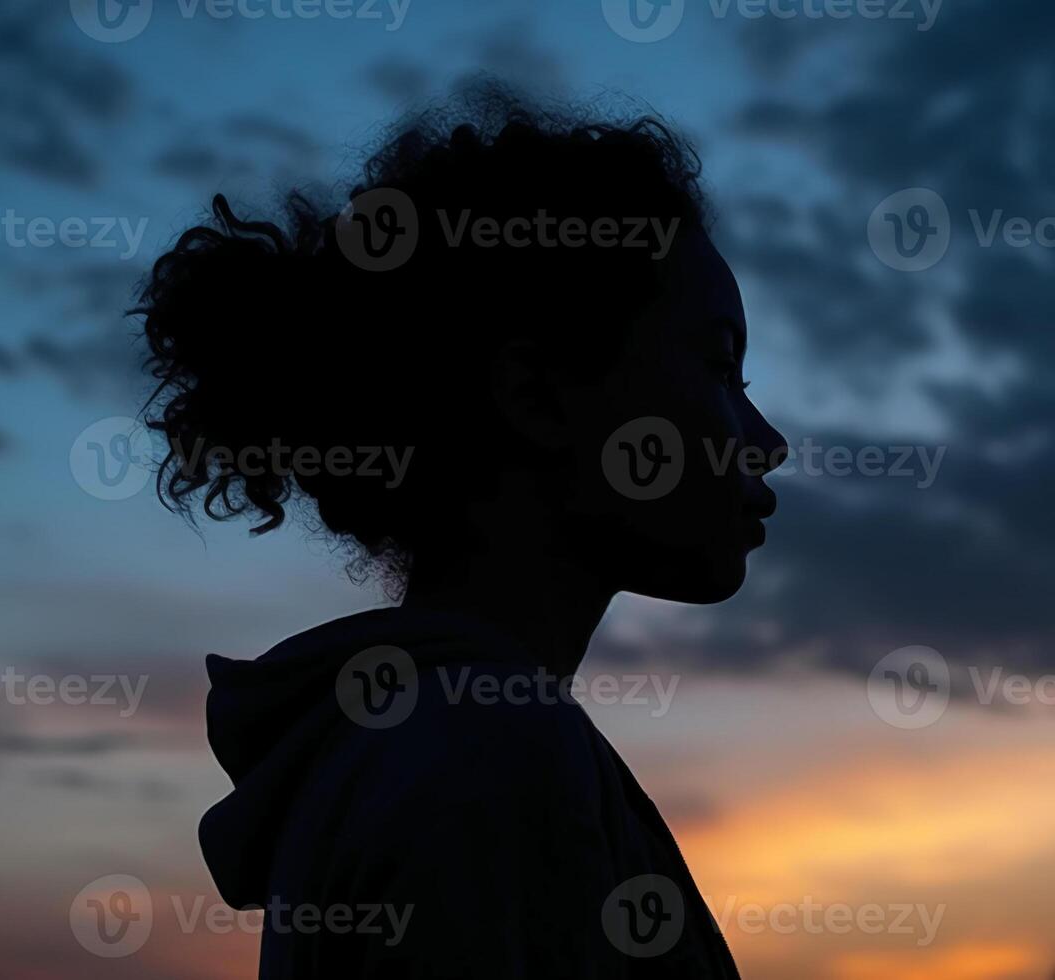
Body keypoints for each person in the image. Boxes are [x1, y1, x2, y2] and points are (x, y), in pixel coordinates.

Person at [136, 91, 786, 978]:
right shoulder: (488, 758)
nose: (765, 441)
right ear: (537, 397)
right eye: (719, 365)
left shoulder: (420, 740)